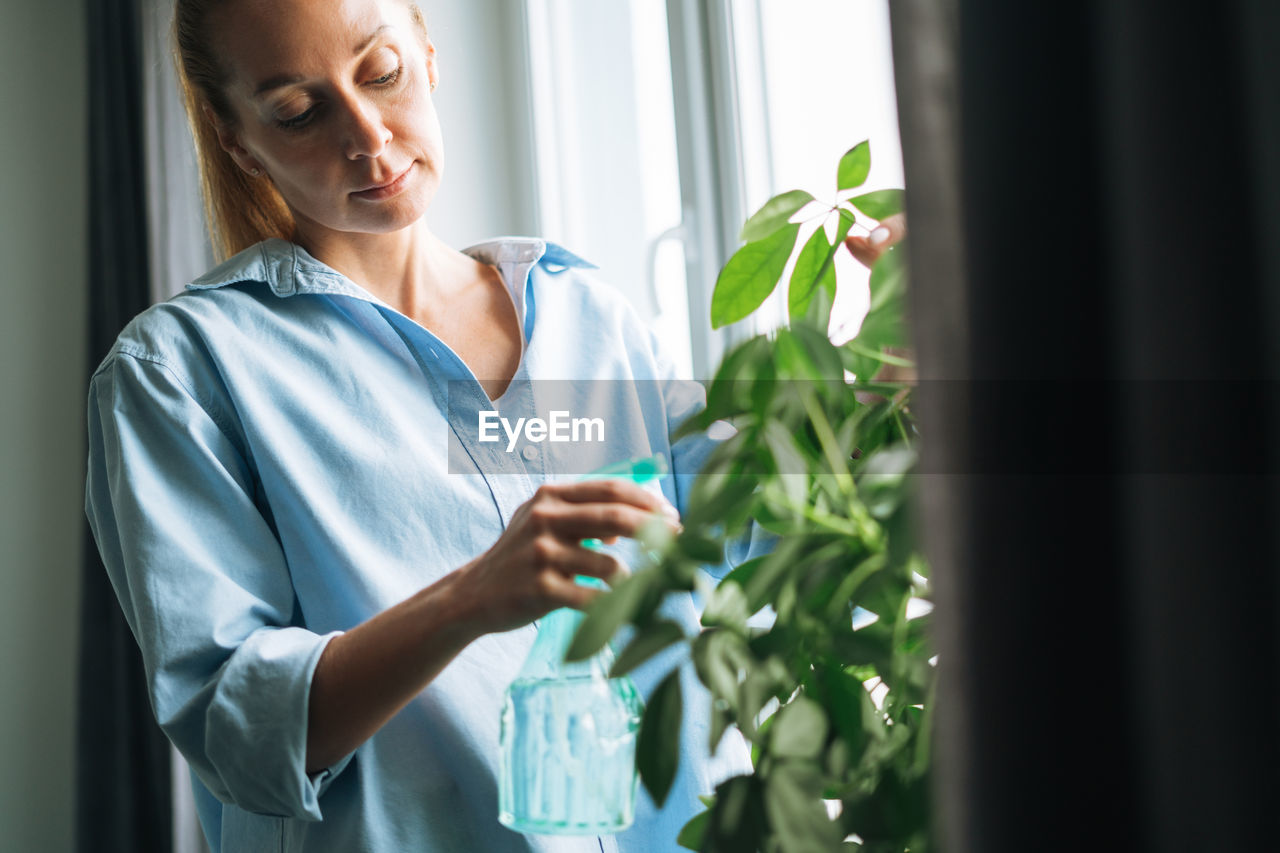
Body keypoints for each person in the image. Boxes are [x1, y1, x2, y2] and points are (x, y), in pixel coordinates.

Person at [85, 1, 901, 850]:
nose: (367, 136)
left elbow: (753, 527)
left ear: (428, 53)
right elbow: (235, 728)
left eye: (381, 73)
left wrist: (884, 375)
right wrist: (470, 598)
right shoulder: (181, 373)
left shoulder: (589, 317)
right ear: (236, 138)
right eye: (298, 110)